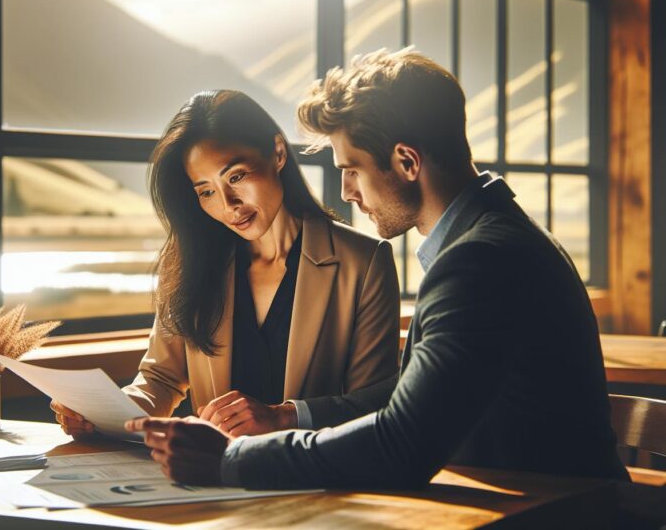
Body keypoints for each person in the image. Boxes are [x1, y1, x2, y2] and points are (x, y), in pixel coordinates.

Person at [125, 49, 629, 488]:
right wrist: (288, 415)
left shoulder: (479, 261)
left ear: (407, 162)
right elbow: (409, 394)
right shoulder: (497, 237)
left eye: (352, 170)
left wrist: (232, 459)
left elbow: (401, 444)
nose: (345, 192)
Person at [52, 89, 400, 438]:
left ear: (278, 153)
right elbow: (160, 379)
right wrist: (106, 412)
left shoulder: (365, 262)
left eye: (235, 177)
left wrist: (285, 417)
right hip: (209, 476)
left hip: (312, 479)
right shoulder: (192, 260)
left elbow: (373, 406)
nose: (228, 204)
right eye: (206, 191)